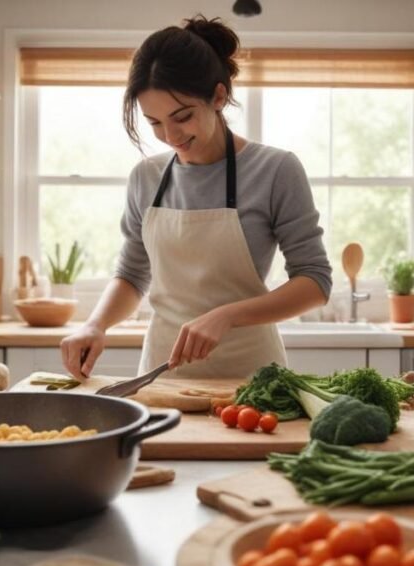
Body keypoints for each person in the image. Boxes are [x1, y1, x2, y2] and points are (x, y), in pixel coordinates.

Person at [60, 15, 331, 380]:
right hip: (163, 376)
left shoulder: (275, 170)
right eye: (154, 122)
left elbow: (315, 281)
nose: (169, 134)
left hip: (251, 380)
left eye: (182, 116)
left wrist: (228, 315)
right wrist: (95, 324)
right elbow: (132, 274)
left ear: (218, 96)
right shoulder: (146, 177)